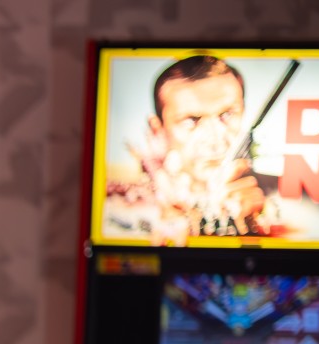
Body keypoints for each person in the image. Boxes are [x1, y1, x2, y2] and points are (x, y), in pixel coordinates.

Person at [108, 54, 277, 243]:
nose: (214, 139)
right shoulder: (125, 204)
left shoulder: (282, 196)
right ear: (158, 128)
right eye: (192, 120)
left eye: (227, 115)